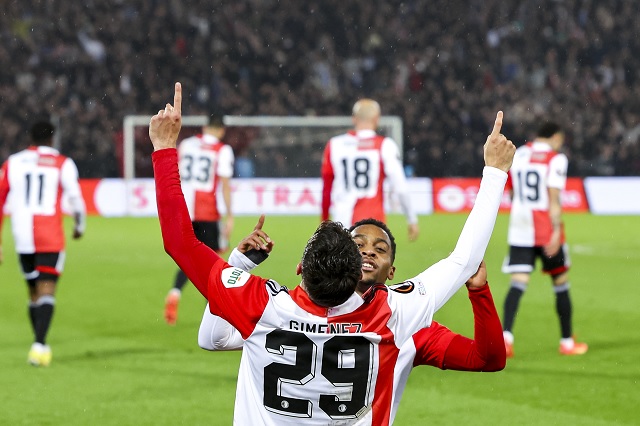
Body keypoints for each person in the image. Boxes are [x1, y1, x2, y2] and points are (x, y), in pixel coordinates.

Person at [150, 82, 514, 425]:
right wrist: (495, 172)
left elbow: (182, 248)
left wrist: (165, 149)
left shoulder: (263, 307)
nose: (369, 252)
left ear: (299, 268)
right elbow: (463, 261)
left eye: (378, 248)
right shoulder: (398, 315)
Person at [198, 216, 506, 424]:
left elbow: (487, 358)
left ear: (392, 272)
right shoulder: (289, 308)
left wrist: (479, 292)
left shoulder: (407, 324)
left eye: (380, 250)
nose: (368, 253)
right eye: (358, 246)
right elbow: (215, 338)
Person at [0, 120, 86, 367]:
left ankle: (39, 343)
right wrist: (79, 227)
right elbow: (76, 199)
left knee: (33, 291)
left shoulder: (13, 162)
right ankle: (39, 344)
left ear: (30, 137)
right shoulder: (62, 163)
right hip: (49, 235)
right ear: (52, 138)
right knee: (47, 289)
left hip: (22, 235)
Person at [501, 121, 587, 357]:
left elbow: (510, 191)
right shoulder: (556, 159)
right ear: (556, 137)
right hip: (545, 229)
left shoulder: (519, 154)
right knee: (561, 283)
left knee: (517, 283)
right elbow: (554, 198)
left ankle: (505, 338)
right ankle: (567, 342)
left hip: (520, 228)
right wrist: (557, 231)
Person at [163, 113, 235, 325]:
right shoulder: (223, 150)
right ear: (221, 130)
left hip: (184, 210)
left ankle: (175, 291)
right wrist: (229, 216)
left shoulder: (186, 144)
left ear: (204, 127)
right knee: (211, 262)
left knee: (190, 258)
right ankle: (213, 316)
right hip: (207, 212)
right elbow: (224, 185)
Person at [321, 98, 420, 241]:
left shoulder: (334, 145)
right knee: (371, 263)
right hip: (372, 224)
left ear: (354, 119)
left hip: (342, 224)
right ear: (376, 119)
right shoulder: (385, 145)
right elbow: (400, 186)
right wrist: (411, 219)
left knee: (345, 263)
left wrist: (324, 223)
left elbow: (326, 190)